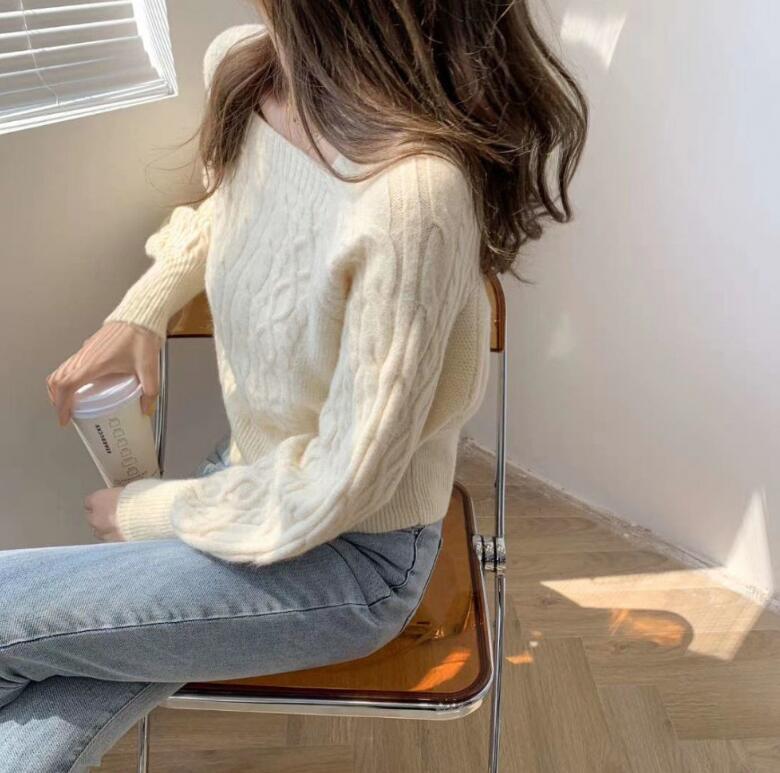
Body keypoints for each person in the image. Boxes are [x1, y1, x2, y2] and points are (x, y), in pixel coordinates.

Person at [0, 2, 587, 770]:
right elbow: (232, 206)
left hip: (351, 560)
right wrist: (143, 308)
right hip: (247, 484)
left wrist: (147, 511)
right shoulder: (250, 69)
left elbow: (334, 487)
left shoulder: (414, 200)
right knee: (41, 687)